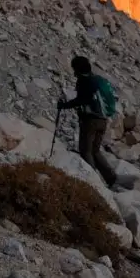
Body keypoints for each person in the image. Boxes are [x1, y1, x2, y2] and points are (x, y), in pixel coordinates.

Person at [57, 55, 117, 188]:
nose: (73, 72)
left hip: (90, 121)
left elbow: (81, 100)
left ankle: (91, 181)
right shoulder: (97, 79)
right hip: (103, 120)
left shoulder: (84, 82)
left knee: (86, 150)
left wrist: (64, 105)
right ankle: (110, 177)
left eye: (74, 69)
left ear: (78, 69)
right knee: (96, 150)